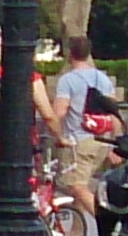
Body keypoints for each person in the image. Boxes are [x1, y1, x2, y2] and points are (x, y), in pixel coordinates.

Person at [50, 37, 120, 189]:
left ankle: (97, 214)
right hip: (102, 142)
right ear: (88, 54)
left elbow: (59, 112)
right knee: (79, 191)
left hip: (79, 142)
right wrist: (116, 145)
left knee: (76, 187)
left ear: (70, 55)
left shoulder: (67, 80)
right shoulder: (103, 79)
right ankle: (81, 213)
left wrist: (58, 136)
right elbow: (114, 114)